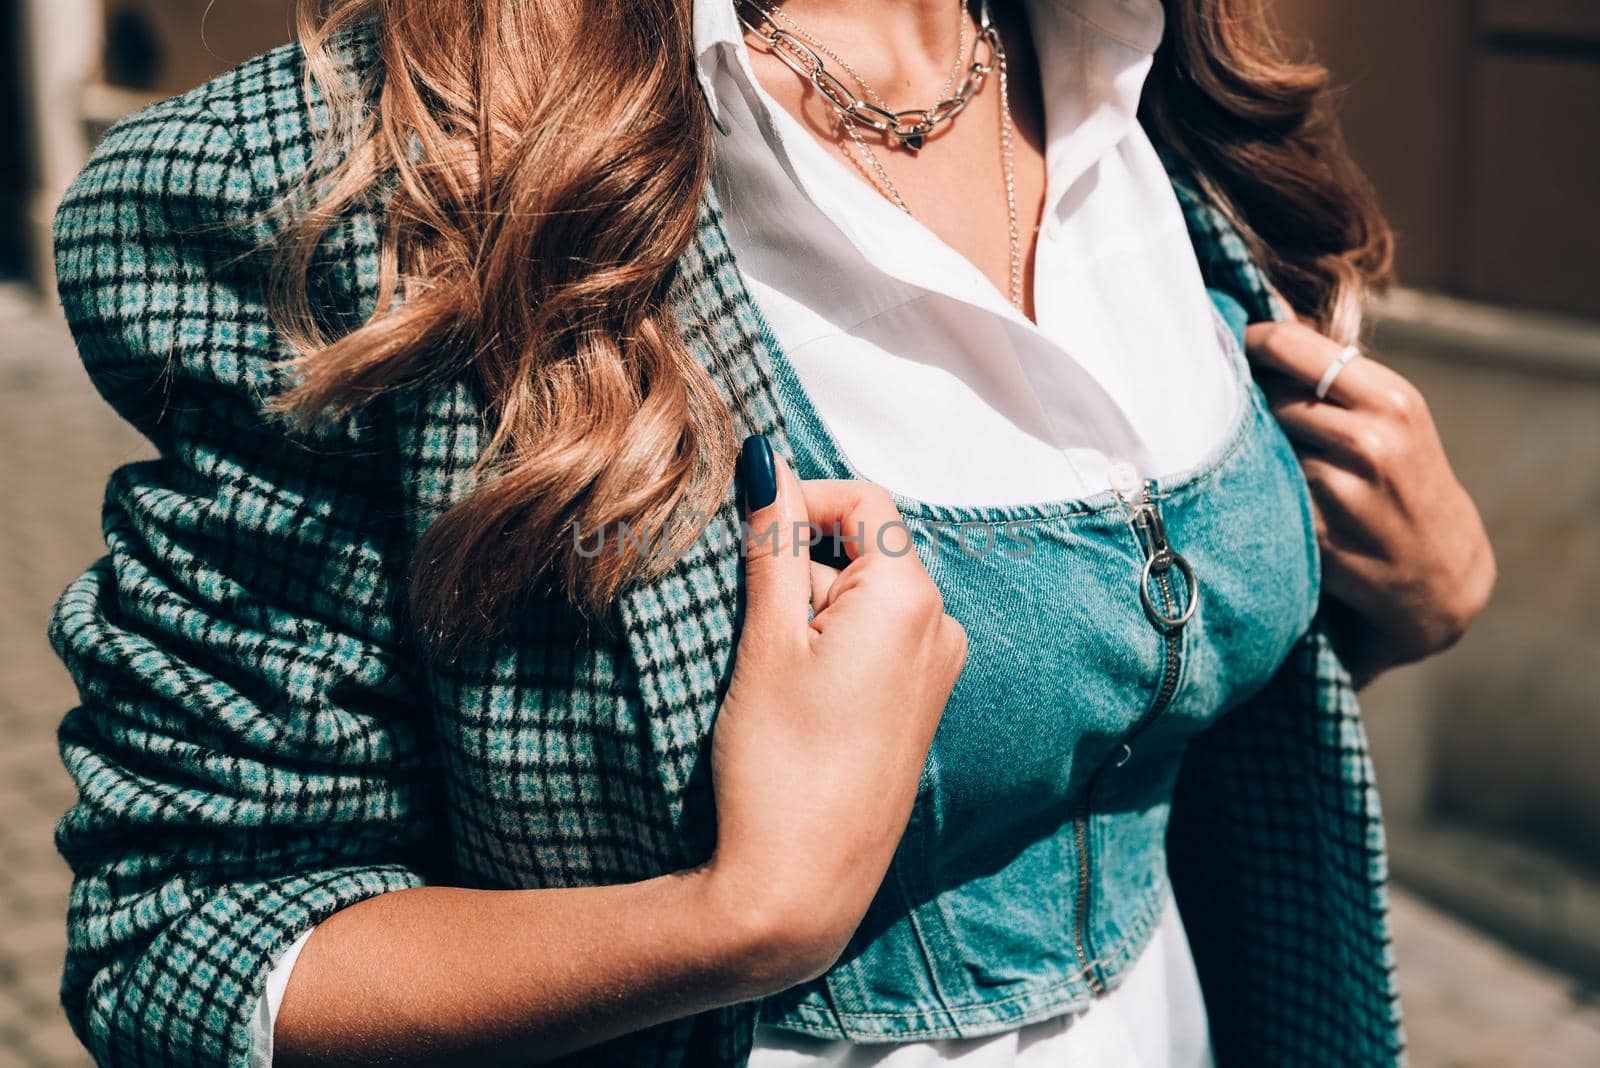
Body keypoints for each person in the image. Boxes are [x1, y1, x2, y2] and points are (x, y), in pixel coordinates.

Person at [47, 0, 1495, 1066]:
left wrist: (1389, 617)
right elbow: (188, 941)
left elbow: (1113, 712)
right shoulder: (361, 178)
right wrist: (735, 919)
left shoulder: (1165, 72)